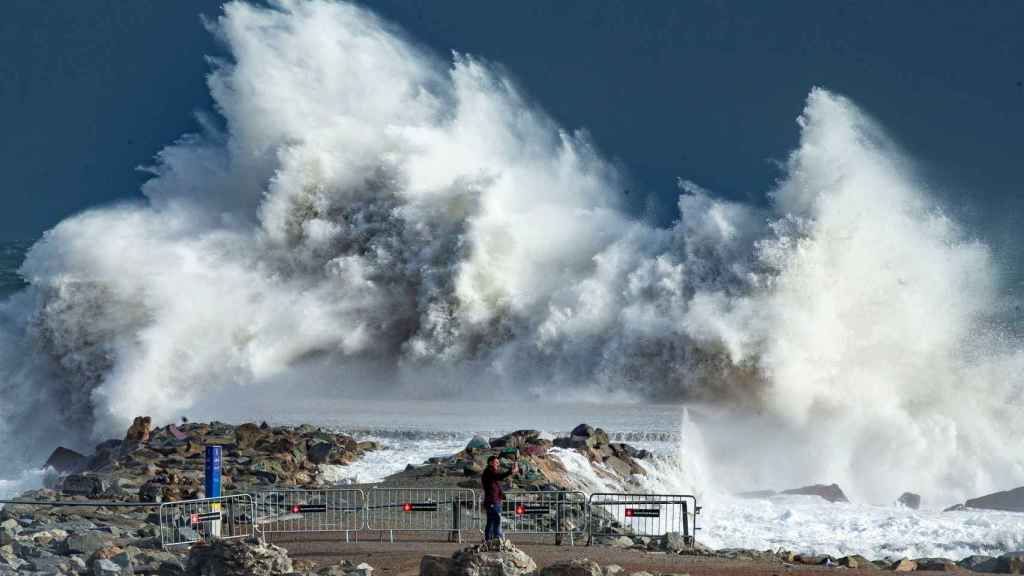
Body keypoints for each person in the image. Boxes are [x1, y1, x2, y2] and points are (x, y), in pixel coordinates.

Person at [481, 455, 518, 541]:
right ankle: (497, 539)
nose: (498, 464)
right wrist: (511, 471)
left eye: (498, 462)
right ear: (490, 463)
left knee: (491, 522)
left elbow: (498, 479)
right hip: (492, 501)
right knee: (496, 521)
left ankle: (489, 540)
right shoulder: (489, 471)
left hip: (492, 500)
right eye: (496, 462)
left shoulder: (489, 472)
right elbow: (499, 476)